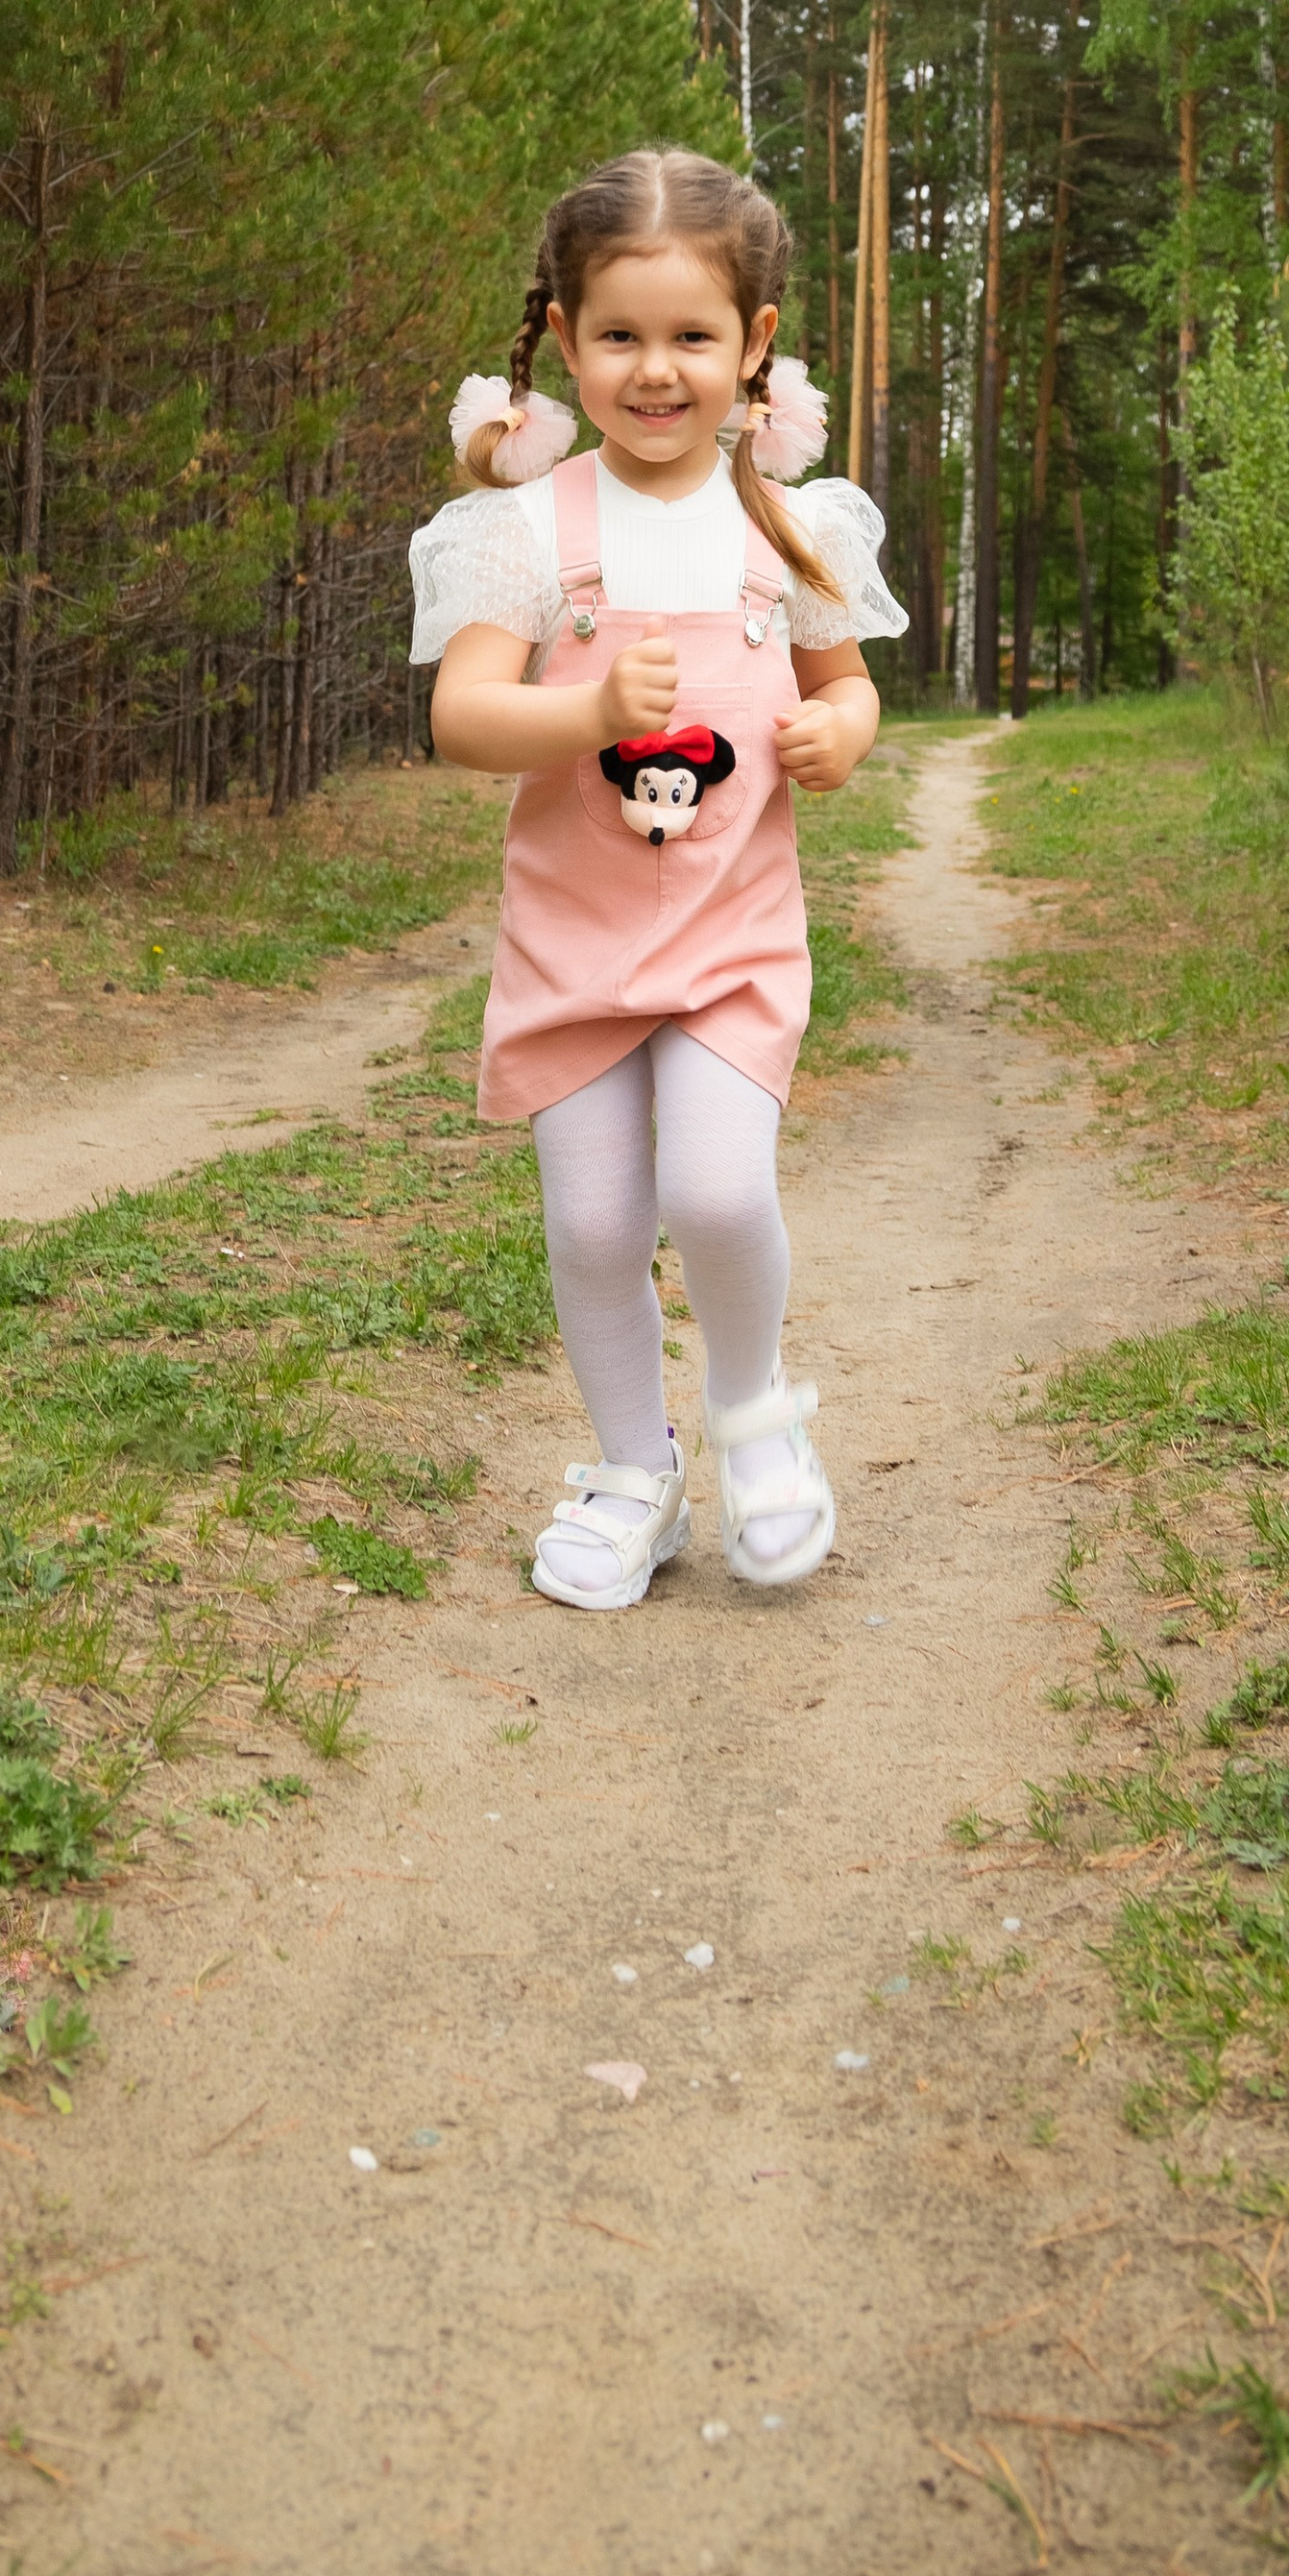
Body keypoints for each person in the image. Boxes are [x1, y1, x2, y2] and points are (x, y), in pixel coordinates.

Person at [410, 147, 903, 1613]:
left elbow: (849, 683)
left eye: (692, 336)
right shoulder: (521, 531)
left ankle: (754, 1425)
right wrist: (585, 717)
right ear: (563, 339)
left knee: (715, 1187)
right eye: (619, 335)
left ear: (754, 345)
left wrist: (840, 737)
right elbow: (462, 719)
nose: (655, 370)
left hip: (734, 942)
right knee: (597, 1226)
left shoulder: (789, 522)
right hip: (574, 945)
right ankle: (635, 1469)